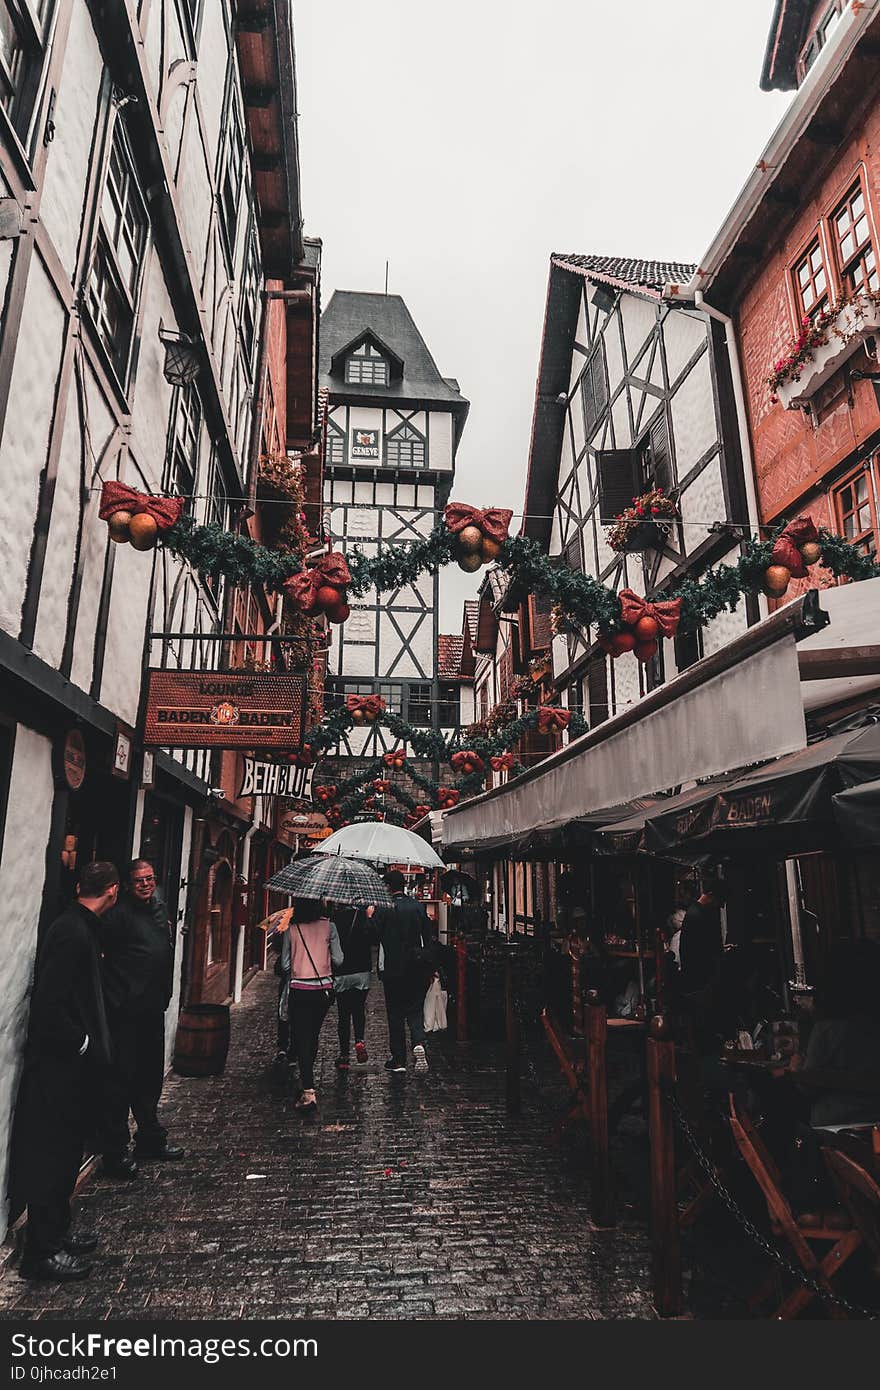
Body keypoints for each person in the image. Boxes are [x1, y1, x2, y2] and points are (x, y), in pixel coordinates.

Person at [17, 862, 118, 1281]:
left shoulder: (78, 925)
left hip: (69, 1065)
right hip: (59, 1066)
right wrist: (82, 1043)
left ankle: (57, 1232)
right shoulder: (73, 932)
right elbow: (51, 1002)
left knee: (67, 1152)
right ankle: (41, 1253)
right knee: (54, 1155)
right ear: (112, 891)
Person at [98, 859, 183, 1176]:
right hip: (125, 1012)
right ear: (125, 884)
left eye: (150, 878)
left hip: (152, 1010)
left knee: (149, 1079)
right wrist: (117, 996)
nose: (146, 884)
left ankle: (149, 1138)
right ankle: (115, 1152)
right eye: (139, 880)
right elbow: (101, 956)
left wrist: (163, 996)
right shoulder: (117, 916)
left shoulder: (159, 909)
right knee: (120, 1082)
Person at [285, 897, 343, 1113]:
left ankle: (308, 1089)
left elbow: (284, 964)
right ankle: (307, 1084)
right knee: (313, 1034)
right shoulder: (330, 926)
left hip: (299, 989)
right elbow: (338, 960)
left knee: (302, 1036)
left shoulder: (292, 928)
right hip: (322, 990)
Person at [373, 870, 434, 1074]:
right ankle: (418, 1042)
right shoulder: (417, 907)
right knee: (415, 1010)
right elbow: (428, 937)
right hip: (415, 967)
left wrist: (370, 917)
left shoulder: (384, 908)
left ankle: (398, 1059)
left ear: (388, 887)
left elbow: (372, 935)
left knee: (395, 1013)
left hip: (393, 969)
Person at [332, 907, 373, 1070]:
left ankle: (344, 1055)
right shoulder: (364, 916)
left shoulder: (335, 917)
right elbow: (374, 939)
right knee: (358, 1009)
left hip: (342, 971)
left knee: (343, 1014)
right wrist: (369, 918)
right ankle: (359, 1040)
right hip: (362, 970)